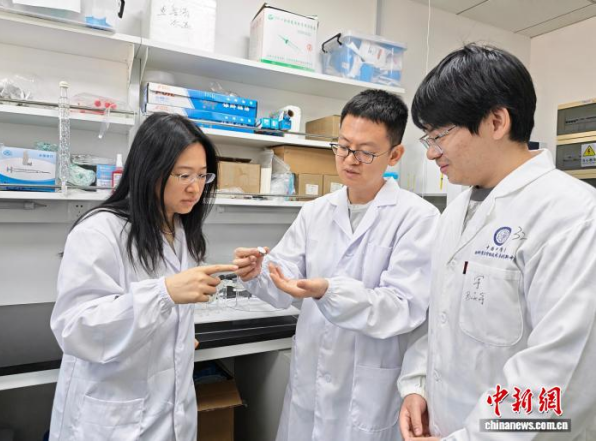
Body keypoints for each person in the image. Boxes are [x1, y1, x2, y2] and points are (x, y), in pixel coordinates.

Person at [398, 44, 596, 441]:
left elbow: (560, 371)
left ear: (496, 121)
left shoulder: (573, 215)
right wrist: (418, 385)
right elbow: (440, 319)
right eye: (427, 138)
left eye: (440, 135)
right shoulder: (456, 211)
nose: (432, 152)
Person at [233, 89, 440, 441]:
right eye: (343, 147)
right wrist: (257, 272)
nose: (349, 160)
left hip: (368, 390)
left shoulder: (418, 218)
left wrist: (329, 292)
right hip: (311, 383)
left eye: (366, 152)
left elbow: (402, 307)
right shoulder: (315, 211)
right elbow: (283, 282)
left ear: (394, 155)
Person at [49, 113, 237, 440]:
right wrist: (162, 293)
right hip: (113, 414)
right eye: (183, 175)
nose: (195, 187)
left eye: (202, 176)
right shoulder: (100, 231)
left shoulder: (182, 230)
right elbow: (75, 329)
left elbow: (161, 316)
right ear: (150, 170)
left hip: (170, 409)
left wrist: (177, 336)